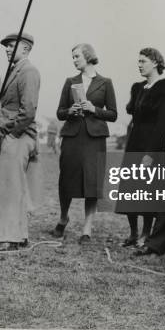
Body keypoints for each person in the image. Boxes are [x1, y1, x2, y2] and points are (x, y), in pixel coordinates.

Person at [116, 48, 165, 254]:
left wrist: (149, 154)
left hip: (152, 146)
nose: (139, 64)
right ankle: (133, 233)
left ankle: (146, 234)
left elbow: (163, 126)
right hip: (134, 143)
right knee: (129, 189)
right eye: (138, 61)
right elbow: (134, 118)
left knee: (147, 191)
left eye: (143, 61)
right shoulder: (138, 88)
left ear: (155, 62)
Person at [52, 43, 117, 244]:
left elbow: (113, 114)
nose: (74, 60)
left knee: (92, 183)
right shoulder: (69, 81)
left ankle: (87, 229)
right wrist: (70, 111)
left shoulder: (105, 82)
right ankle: (63, 217)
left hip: (94, 140)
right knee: (67, 180)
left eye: (77, 56)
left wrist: (94, 109)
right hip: (72, 137)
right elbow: (60, 112)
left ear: (88, 56)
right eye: (73, 57)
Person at [0, 32, 41, 252]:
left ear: (26, 48)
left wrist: (11, 132)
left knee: (9, 189)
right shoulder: (17, 70)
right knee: (15, 188)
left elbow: (28, 110)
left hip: (18, 136)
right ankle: (18, 236)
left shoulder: (28, 71)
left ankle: (8, 238)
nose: (8, 50)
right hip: (16, 135)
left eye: (13, 46)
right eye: (7, 47)